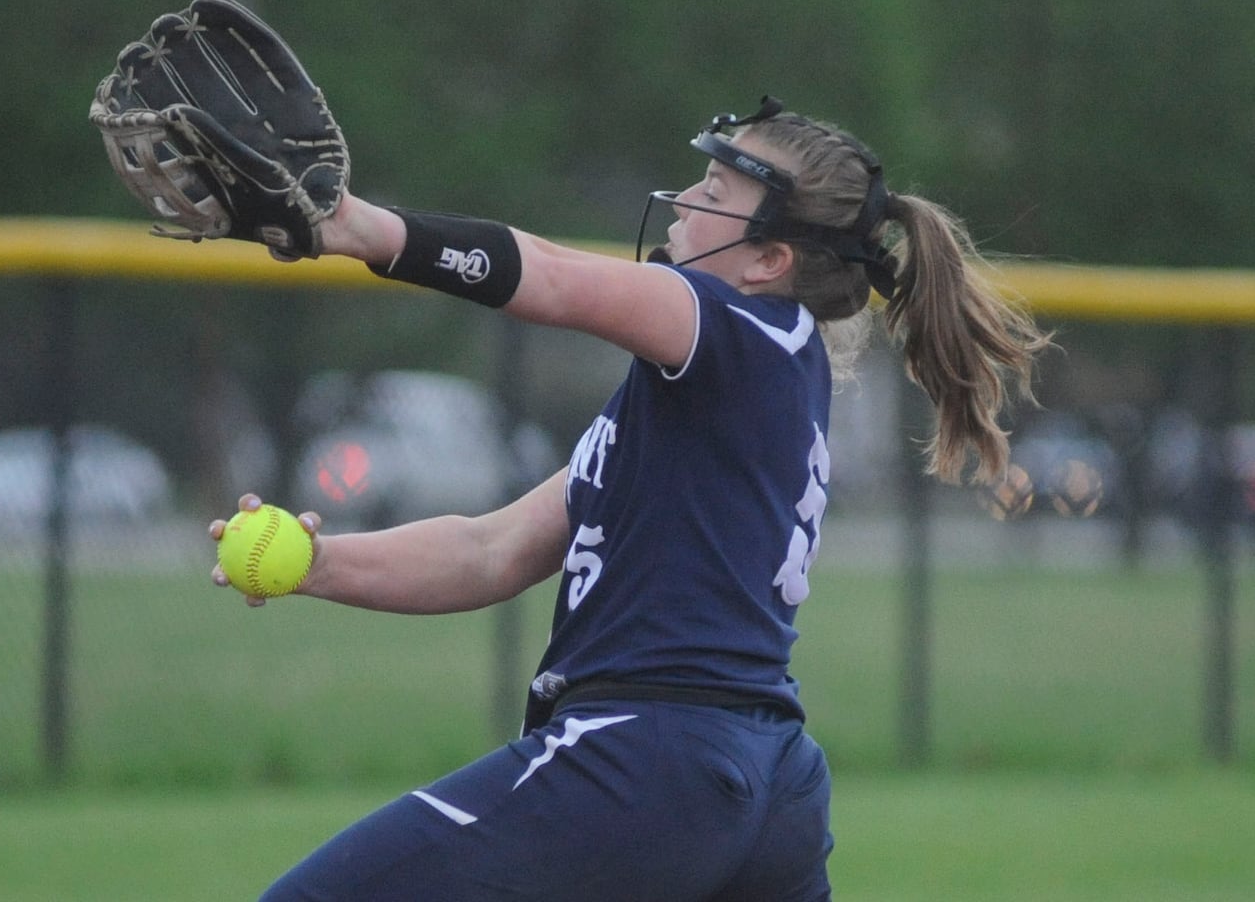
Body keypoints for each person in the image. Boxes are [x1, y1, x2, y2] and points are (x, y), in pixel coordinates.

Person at [209, 98, 1051, 901]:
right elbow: (490, 551)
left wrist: (358, 227)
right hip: (767, 780)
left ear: (770, 259)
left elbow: (555, 277)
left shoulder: (735, 330)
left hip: (644, 760)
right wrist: (319, 566)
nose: (685, 201)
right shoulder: (726, 386)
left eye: (717, 195)